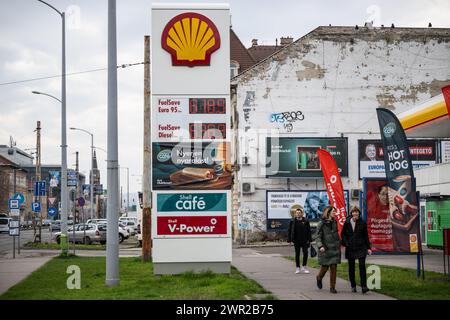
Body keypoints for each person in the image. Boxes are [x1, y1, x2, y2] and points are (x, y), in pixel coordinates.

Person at [341, 206, 372, 294]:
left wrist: (368, 248)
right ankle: (353, 285)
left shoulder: (362, 222)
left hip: (361, 247)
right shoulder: (347, 222)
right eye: (353, 212)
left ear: (359, 213)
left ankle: (363, 286)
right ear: (351, 213)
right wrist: (346, 243)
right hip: (350, 247)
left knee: (362, 266)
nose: (355, 213)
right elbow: (343, 234)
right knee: (351, 267)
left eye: (357, 212)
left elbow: (366, 236)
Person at [315, 206, 341, 294]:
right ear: (328, 212)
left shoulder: (334, 222)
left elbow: (336, 234)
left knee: (334, 267)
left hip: (335, 248)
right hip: (325, 249)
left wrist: (340, 243)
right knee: (325, 268)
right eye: (333, 211)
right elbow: (317, 236)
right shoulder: (321, 223)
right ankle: (319, 277)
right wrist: (320, 246)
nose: (335, 213)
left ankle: (332, 287)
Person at [287, 207, 312, 274]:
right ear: (295, 214)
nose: (298, 214)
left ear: (302, 214)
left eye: (299, 213)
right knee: (297, 254)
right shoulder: (292, 221)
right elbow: (289, 231)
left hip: (304, 240)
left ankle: (304, 266)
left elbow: (309, 231)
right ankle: (298, 268)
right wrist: (289, 240)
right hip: (296, 240)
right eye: (297, 213)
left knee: (305, 253)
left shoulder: (306, 221)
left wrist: (310, 240)